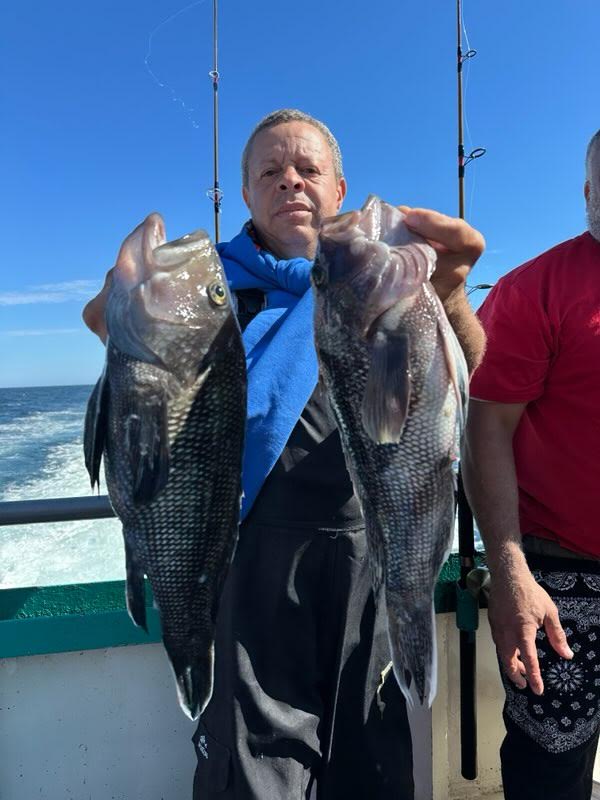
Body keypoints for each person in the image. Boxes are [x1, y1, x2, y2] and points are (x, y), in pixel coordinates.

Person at [84, 108, 486, 799]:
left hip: (373, 553)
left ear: (339, 188)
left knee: (375, 771)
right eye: (270, 171)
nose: (290, 181)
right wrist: (120, 327)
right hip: (249, 563)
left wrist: (450, 295)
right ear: (245, 194)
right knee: (253, 776)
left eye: (307, 169)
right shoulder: (203, 294)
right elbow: (142, 402)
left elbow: (463, 391)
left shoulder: (387, 277)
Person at [462, 128, 600, 800]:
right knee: (553, 770)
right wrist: (510, 574)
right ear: (586, 192)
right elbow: (485, 427)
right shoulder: (533, 290)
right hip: (562, 575)